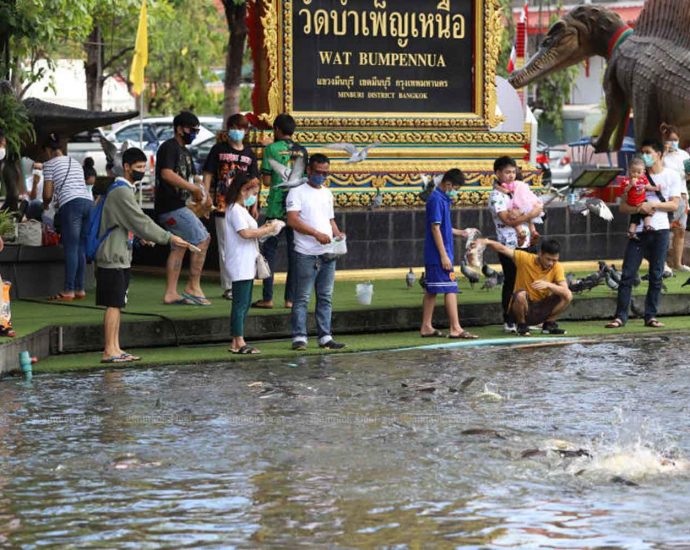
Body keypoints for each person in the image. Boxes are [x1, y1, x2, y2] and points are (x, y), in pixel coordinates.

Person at [96, 147, 190, 363]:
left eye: (144, 167)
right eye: (138, 167)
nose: (141, 171)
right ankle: (109, 350)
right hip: (112, 255)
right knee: (113, 303)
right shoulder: (121, 191)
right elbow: (140, 221)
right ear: (126, 167)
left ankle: (116, 348)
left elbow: (130, 222)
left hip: (119, 253)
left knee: (118, 303)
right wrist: (168, 237)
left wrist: (140, 236)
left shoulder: (123, 189)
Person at [606, 139, 682, 329]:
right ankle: (620, 316)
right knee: (628, 273)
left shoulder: (671, 176)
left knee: (656, 274)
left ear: (659, 154)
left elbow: (674, 204)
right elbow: (623, 207)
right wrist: (640, 207)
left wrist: (652, 205)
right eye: (643, 152)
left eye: (649, 152)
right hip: (638, 231)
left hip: (661, 230)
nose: (645, 156)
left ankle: (651, 316)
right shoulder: (636, 174)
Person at [287, 153, 345, 351]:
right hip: (306, 251)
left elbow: (330, 220)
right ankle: (299, 336)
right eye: (318, 172)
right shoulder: (297, 192)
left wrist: (338, 234)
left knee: (325, 295)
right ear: (309, 171)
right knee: (302, 296)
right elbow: (293, 220)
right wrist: (315, 233)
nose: (322, 176)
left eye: (325, 173)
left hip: (328, 251)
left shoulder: (327, 193)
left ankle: (325, 335)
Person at [154, 110, 212, 306]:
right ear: (179, 129)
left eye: (196, 130)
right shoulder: (169, 148)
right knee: (203, 239)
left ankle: (171, 293)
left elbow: (194, 178)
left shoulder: (186, 152)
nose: (194, 134)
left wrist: (205, 193)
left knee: (179, 246)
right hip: (170, 206)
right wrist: (194, 188)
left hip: (177, 205)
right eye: (191, 130)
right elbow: (167, 174)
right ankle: (193, 286)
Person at [202, 113, 260, 300]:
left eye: (241, 128)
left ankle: (243, 282)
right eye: (234, 127)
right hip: (222, 204)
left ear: (246, 131)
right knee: (225, 246)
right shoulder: (218, 150)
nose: (237, 131)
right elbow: (209, 174)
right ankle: (229, 286)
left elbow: (255, 181)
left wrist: (255, 204)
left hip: (243, 205)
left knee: (244, 244)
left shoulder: (249, 153)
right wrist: (205, 197)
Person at [253, 113, 307, 310]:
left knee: (269, 253)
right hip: (295, 210)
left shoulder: (271, 149)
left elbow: (266, 181)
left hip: (276, 207)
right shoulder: (302, 150)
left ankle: (267, 298)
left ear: (276, 130)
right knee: (295, 253)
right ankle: (290, 299)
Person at [488, 156, 544, 333]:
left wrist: (531, 224)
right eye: (507, 172)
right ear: (498, 173)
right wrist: (530, 214)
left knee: (529, 281)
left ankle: (527, 317)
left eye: (513, 172)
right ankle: (509, 319)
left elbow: (532, 208)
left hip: (527, 242)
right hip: (508, 245)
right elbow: (507, 219)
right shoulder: (496, 195)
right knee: (511, 281)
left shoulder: (518, 189)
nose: (511, 175)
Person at [420, 169, 477, 339]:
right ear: (448, 184)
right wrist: (444, 256)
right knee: (451, 287)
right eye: (455, 188)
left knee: (432, 290)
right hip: (439, 253)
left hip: (437, 252)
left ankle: (426, 326)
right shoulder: (437, 199)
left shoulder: (441, 199)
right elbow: (435, 228)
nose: (455, 192)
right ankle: (455, 328)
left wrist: (461, 233)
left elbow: (442, 227)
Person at [224, 172, 277, 354]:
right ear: (243, 190)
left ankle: (237, 340)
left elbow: (250, 232)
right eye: (254, 192)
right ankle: (238, 341)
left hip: (246, 260)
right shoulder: (235, 210)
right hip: (239, 261)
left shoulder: (240, 209)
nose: (254, 197)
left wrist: (266, 229)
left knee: (244, 302)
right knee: (240, 302)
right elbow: (245, 233)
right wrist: (266, 230)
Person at [481, 238, 572, 336]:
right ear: (540, 254)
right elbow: (502, 249)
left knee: (568, 295)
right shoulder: (525, 258)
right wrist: (487, 241)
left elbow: (565, 291)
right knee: (520, 295)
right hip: (522, 309)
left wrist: (549, 285)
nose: (551, 263)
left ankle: (549, 325)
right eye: (548, 259)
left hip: (541, 310)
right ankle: (522, 326)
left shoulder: (557, 267)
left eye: (554, 260)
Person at [42, 133, 93, 301]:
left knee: (71, 247)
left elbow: (47, 193)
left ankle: (68, 290)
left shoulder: (49, 164)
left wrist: (46, 204)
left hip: (72, 204)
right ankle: (80, 289)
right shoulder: (75, 162)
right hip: (87, 203)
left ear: (49, 150)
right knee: (80, 247)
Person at [660, 123, 690, 271]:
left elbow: (686, 175)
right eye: (670, 139)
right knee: (664, 230)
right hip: (667, 197)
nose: (673, 142)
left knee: (680, 230)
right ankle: (663, 263)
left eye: (675, 139)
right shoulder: (660, 155)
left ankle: (678, 263)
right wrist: (663, 153)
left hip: (682, 196)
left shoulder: (684, 155)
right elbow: (656, 172)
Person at [621, 158, 657, 239]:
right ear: (629, 170)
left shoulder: (643, 178)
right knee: (645, 211)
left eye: (639, 172)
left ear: (643, 172)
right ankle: (645, 226)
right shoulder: (626, 180)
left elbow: (648, 186)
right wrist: (630, 185)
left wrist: (655, 188)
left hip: (641, 200)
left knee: (637, 216)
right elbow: (624, 190)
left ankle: (634, 230)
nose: (636, 174)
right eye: (633, 172)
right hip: (632, 201)